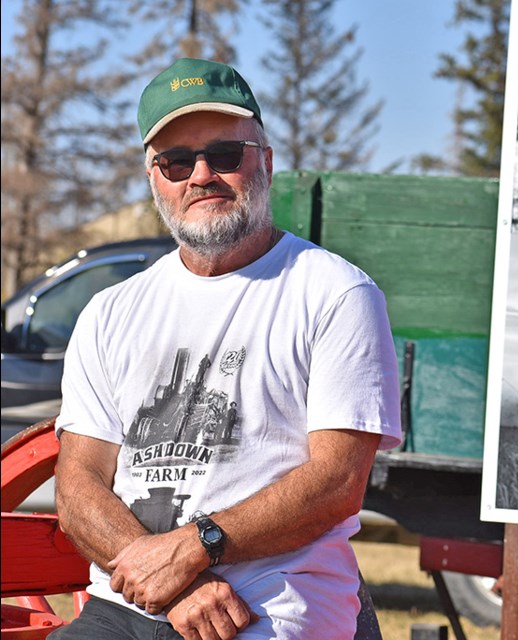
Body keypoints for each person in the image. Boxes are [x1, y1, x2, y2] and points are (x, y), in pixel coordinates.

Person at [50, 57, 402, 640]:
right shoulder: (109, 313)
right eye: (177, 161)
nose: (202, 174)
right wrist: (178, 583)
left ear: (264, 160)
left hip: (271, 604)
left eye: (225, 154)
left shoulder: (336, 292)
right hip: (126, 609)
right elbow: (79, 483)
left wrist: (197, 548)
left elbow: (338, 482)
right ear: (153, 177)